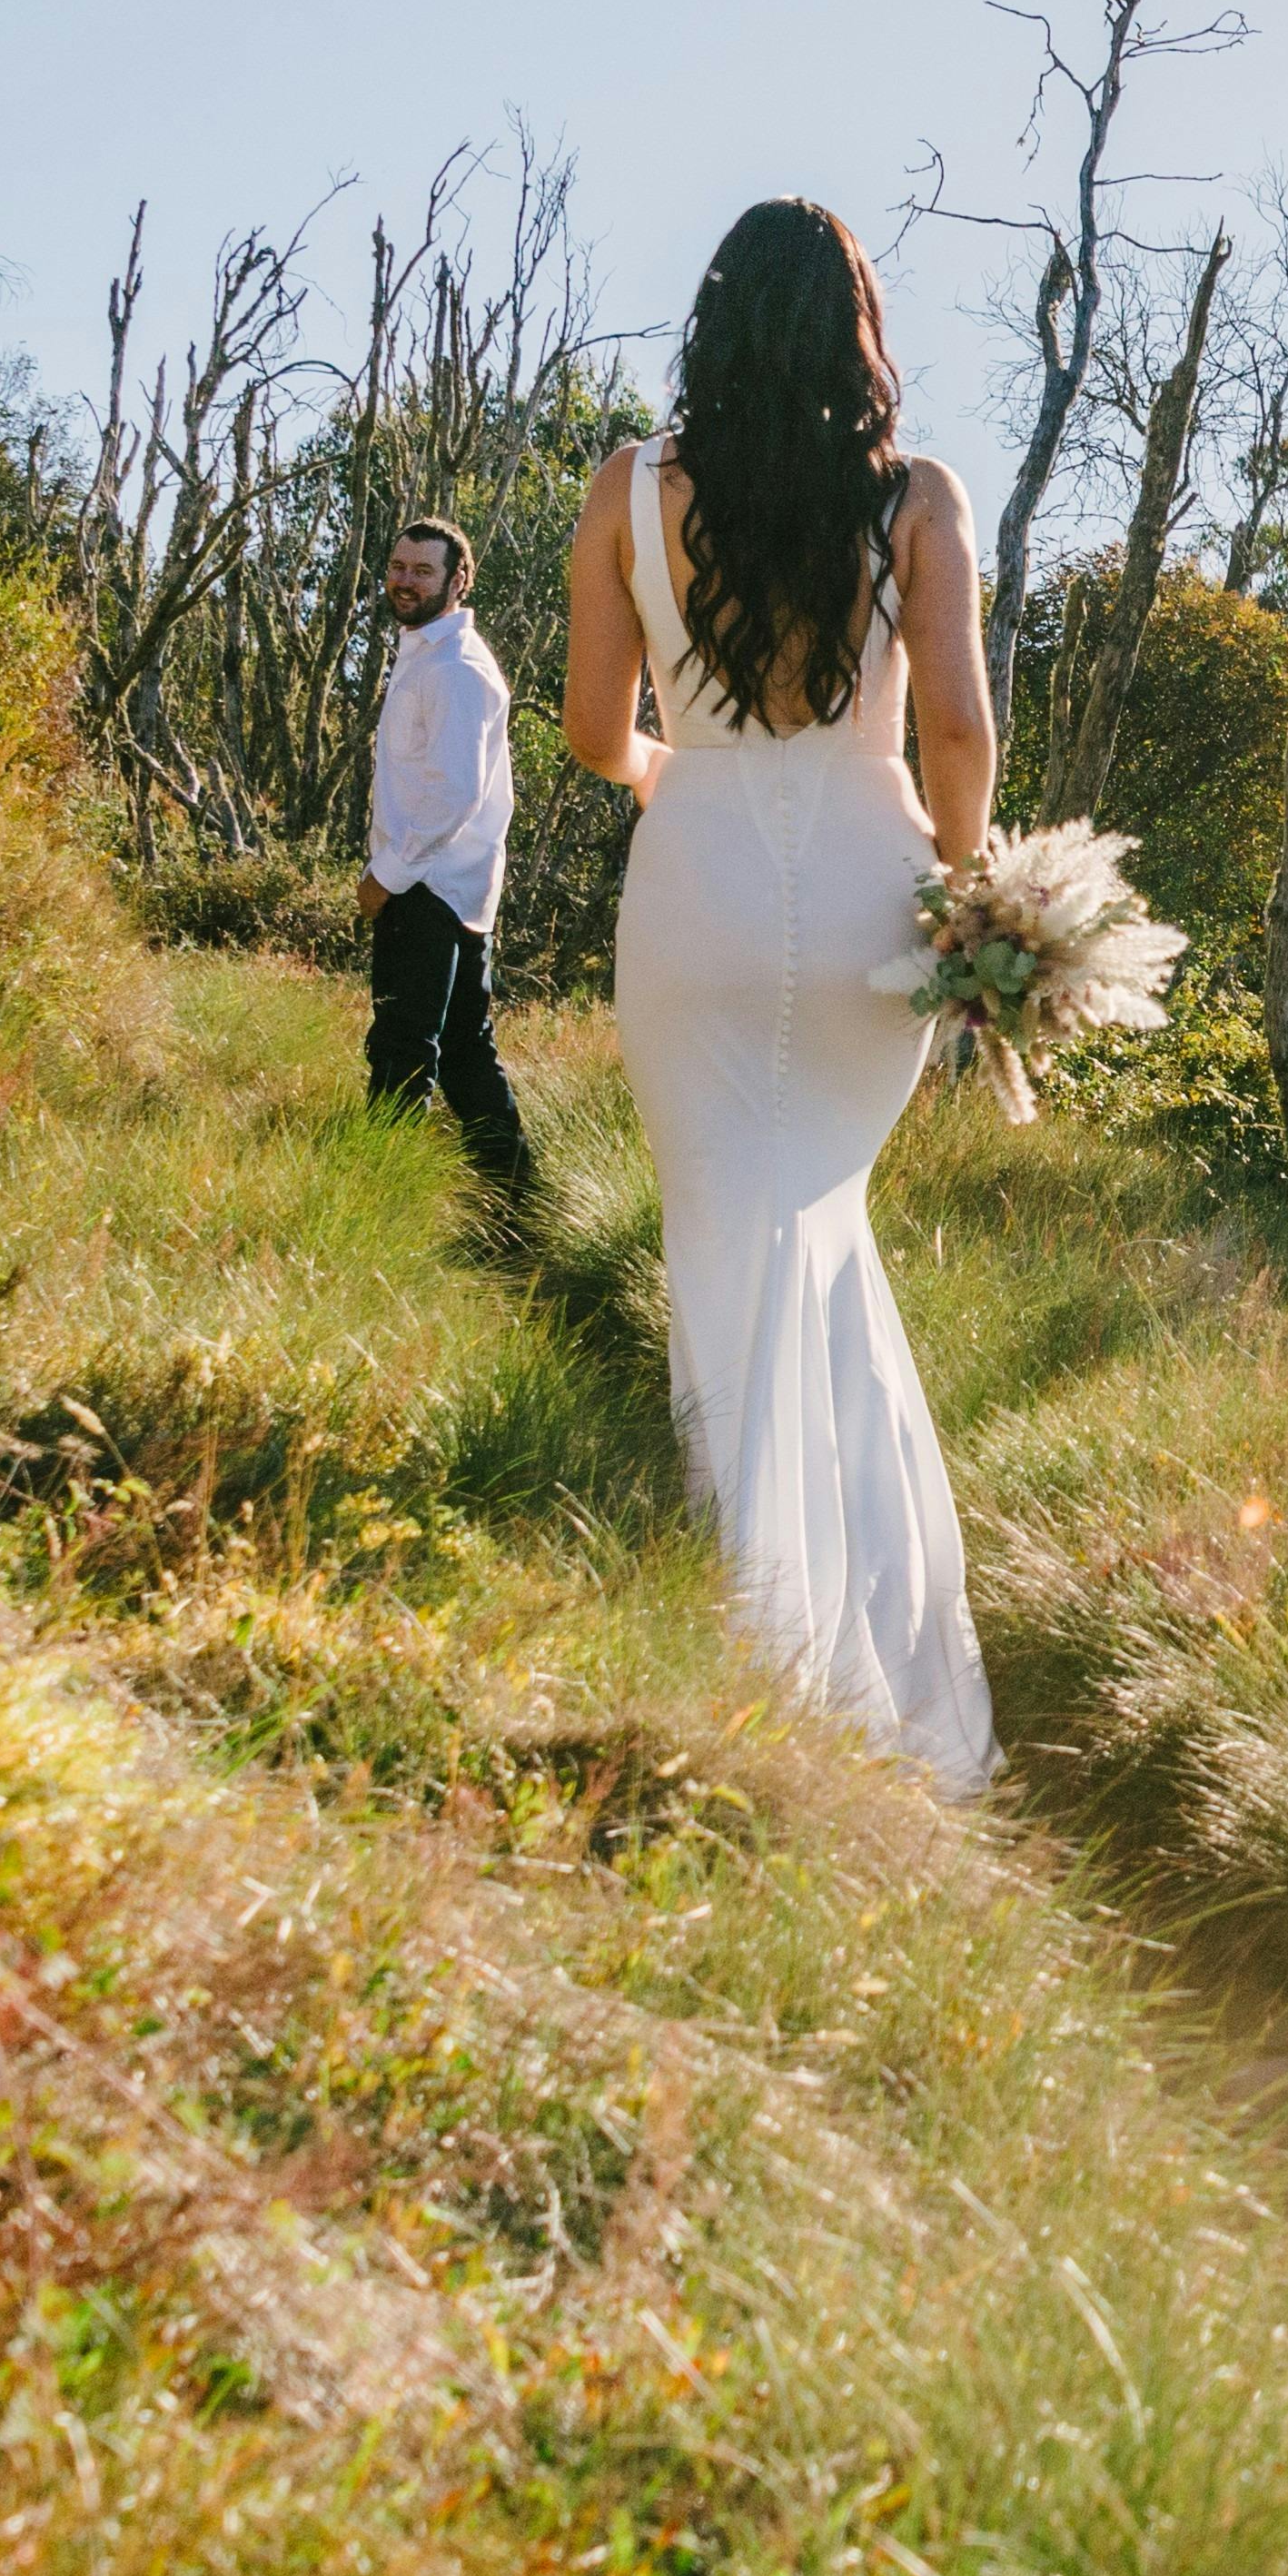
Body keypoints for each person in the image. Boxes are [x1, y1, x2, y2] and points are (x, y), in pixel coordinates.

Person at [566, 200, 998, 1798]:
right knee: (819, 1232)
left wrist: (683, 769)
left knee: (718, 1244)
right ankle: (847, 1644)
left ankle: (753, 1626)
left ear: (718, 317)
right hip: (874, 896)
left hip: (695, 873)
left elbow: (592, 730)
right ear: (858, 328)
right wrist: (970, 889)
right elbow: (952, 728)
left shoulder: (626, 488)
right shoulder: (917, 497)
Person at [358, 513, 542, 1214]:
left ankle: (377, 1206)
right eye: (399, 567)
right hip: (454, 888)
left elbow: (456, 794)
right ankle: (519, 1206)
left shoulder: (458, 668)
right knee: (465, 1049)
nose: (405, 581)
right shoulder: (425, 655)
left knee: (402, 1049)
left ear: (458, 580)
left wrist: (388, 875)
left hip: (430, 887)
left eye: (423, 570)